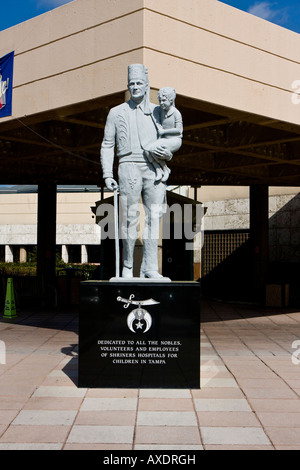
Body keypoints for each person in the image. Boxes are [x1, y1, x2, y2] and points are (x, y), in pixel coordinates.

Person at [100, 64, 179, 279]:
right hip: (128, 166)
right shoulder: (116, 113)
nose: (135, 87)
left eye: (139, 84)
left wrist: (168, 151)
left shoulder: (158, 111)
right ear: (128, 85)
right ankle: (127, 267)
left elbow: (174, 137)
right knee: (129, 218)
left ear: (147, 86)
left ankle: (150, 267)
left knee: (155, 216)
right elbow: (107, 144)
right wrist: (108, 173)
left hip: (153, 167)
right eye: (132, 84)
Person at [145, 87, 183, 183]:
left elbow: (179, 130)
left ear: (170, 100)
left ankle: (165, 169)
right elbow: (150, 108)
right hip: (164, 139)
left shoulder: (176, 113)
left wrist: (164, 132)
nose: (161, 103)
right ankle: (159, 169)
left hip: (175, 140)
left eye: (164, 100)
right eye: (160, 101)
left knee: (155, 150)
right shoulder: (160, 110)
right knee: (146, 150)